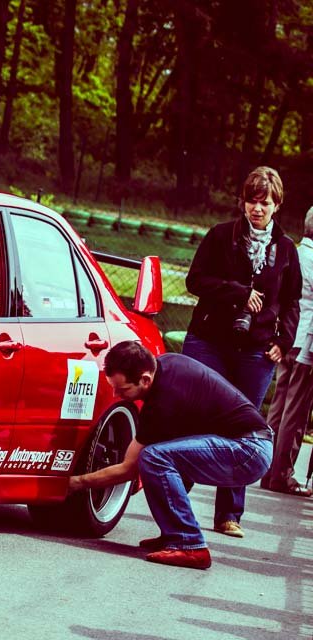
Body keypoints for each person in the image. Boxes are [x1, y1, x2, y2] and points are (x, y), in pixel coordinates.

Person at [69, 341, 273, 570]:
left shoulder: (163, 401)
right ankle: (173, 535)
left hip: (248, 450)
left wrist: (75, 482)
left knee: (153, 457)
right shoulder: (166, 365)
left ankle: (189, 544)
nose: (116, 395)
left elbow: (128, 469)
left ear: (145, 379)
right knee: (161, 455)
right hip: (247, 443)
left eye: (123, 390)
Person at [181, 166, 301, 537]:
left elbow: (293, 300)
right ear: (243, 202)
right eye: (251, 201)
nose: (257, 209)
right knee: (193, 414)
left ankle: (229, 513)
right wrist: (237, 292)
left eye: (264, 202)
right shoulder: (220, 236)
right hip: (210, 340)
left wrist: (283, 342)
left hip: (256, 350)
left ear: (277, 205)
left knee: (243, 428)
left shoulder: (286, 250)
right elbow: (194, 280)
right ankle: (176, 496)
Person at [262, 206, 313, 497]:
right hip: (306, 340)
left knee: (279, 406)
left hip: (289, 336)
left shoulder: (295, 252)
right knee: (296, 411)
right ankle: (283, 473)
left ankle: (269, 468)